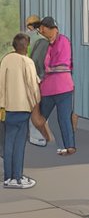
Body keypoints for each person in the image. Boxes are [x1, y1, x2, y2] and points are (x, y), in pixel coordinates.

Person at [2, 34, 42, 189]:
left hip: (8, 108)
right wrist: (36, 103)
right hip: (23, 108)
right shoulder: (27, 62)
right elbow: (33, 85)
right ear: (26, 46)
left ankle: (8, 178)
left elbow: (1, 84)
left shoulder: (6, 60)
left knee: (8, 143)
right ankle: (17, 178)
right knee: (19, 144)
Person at [37, 17, 76, 156]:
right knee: (41, 116)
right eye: (40, 30)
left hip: (62, 87)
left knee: (63, 117)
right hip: (48, 88)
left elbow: (64, 65)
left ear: (53, 28)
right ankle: (42, 139)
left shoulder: (63, 41)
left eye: (43, 29)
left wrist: (48, 70)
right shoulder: (45, 44)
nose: (41, 32)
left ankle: (69, 145)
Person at [24, 16, 49, 147]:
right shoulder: (42, 40)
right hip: (37, 78)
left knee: (30, 107)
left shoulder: (25, 38)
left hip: (27, 76)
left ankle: (33, 136)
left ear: (29, 26)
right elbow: (39, 62)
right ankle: (38, 137)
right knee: (38, 108)